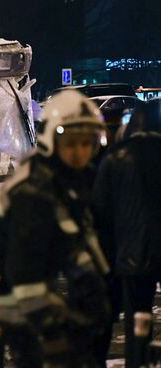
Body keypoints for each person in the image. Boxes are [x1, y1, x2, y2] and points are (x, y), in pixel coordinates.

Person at [0, 89, 111, 367]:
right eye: (71, 144)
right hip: (15, 300)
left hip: (35, 291)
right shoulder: (34, 192)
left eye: (87, 143)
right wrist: (49, 328)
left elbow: (75, 237)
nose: (80, 153)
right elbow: (23, 270)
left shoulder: (66, 178)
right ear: (51, 141)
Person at [93, 98, 161, 368]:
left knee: (138, 311)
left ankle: (136, 357)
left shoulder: (116, 157)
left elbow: (101, 212)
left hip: (132, 254)